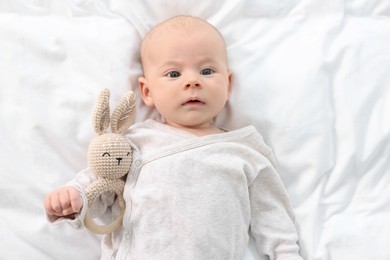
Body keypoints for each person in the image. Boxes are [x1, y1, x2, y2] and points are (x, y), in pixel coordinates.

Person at [44, 15, 303, 260]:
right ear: (147, 91)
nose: (192, 81)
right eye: (174, 74)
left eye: (207, 71)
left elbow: (272, 215)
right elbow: (105, 183)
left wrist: (287, 253)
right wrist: (77, 196)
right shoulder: (137, 142)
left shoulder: (246, 150)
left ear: (228, 84)